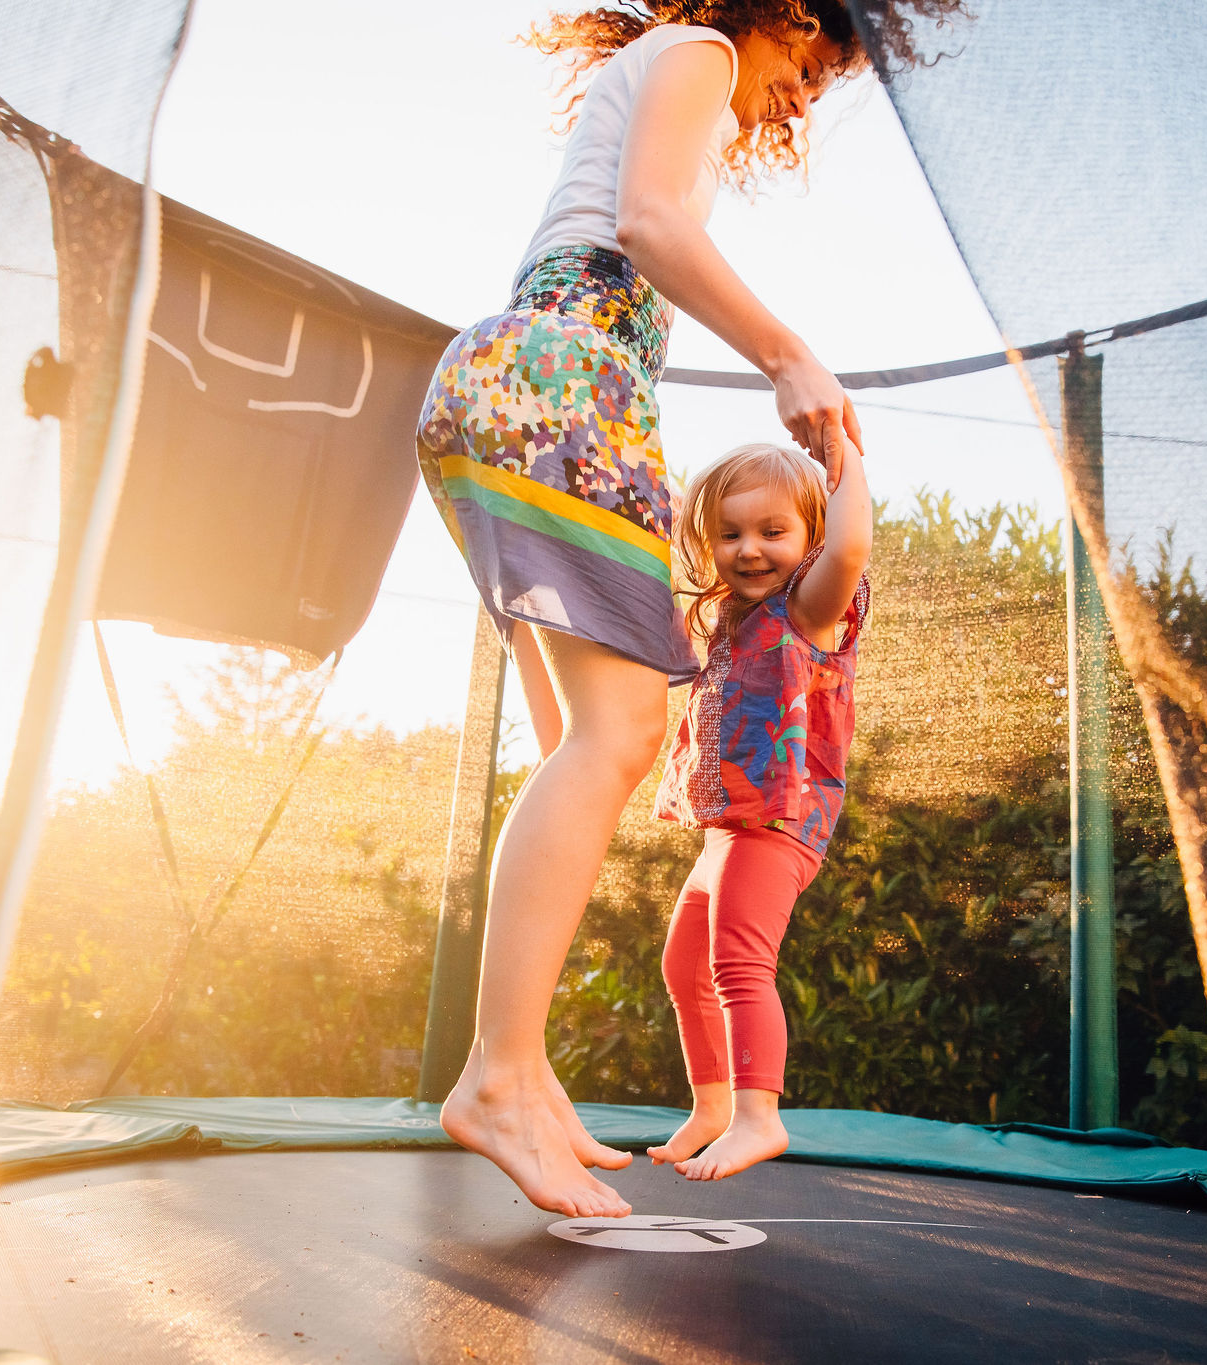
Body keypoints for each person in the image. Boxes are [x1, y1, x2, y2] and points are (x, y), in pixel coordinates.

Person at [414, 0, 956, 1220]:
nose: (803, 98)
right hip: (566, 382)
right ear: (789, 13)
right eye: (811, 66)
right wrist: (786, 353)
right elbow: (646, 223)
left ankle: (520, 1069)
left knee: (577, 745)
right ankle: (497, 1075)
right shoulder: (700, 52)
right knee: (621, 740)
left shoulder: (656, 71)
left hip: (499, 391)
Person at [646, 441, 872, 1180]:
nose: (749, 550)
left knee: (740, 964)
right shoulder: (726, 621)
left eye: (773, 531)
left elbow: (849, 548)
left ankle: (758, 1116)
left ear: (808, 536)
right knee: (685, 966)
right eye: (731, 533)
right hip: (727, 830)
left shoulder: (810, 611)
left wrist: (844, 463)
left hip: (779, 826)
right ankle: (712, 1106)